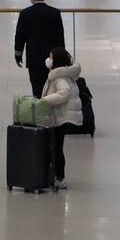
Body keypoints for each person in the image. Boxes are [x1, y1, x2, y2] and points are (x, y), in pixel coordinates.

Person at [40, 48, 83, 190]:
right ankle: (57, 176)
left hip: (61, 117)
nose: (48, 59)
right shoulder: (64, 73)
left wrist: (45, 100)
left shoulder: (59, 77)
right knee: (56, 147)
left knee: (56, 148)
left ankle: (60, 178)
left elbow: (64, 93)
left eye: (51, 57)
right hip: (62, 116)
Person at [13, 0, 65, 98]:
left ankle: (39, 105)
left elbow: (20, 36)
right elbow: (60, 36)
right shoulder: (55, 13)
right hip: (51, 58)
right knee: (51, 87)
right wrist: (61, 56)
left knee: (36, 86)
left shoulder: (25, 13)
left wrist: (18, 55)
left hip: (34, 58)